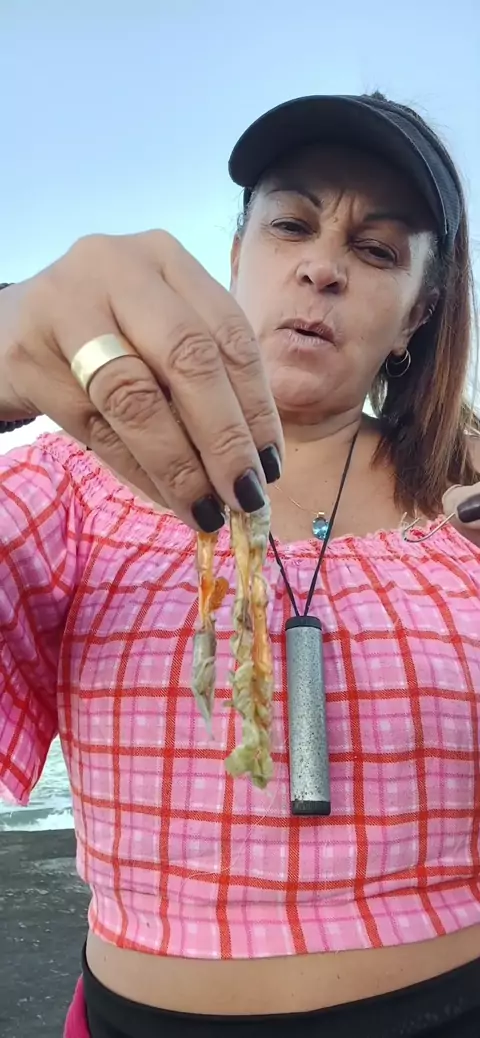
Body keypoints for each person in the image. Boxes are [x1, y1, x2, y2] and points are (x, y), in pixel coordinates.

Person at [1, 91, 480, 1038]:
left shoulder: (465, 507)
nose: (322, 267)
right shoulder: (68, 486)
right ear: (233, 257)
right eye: (291, 224)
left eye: (376, 249)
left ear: (418, 314)